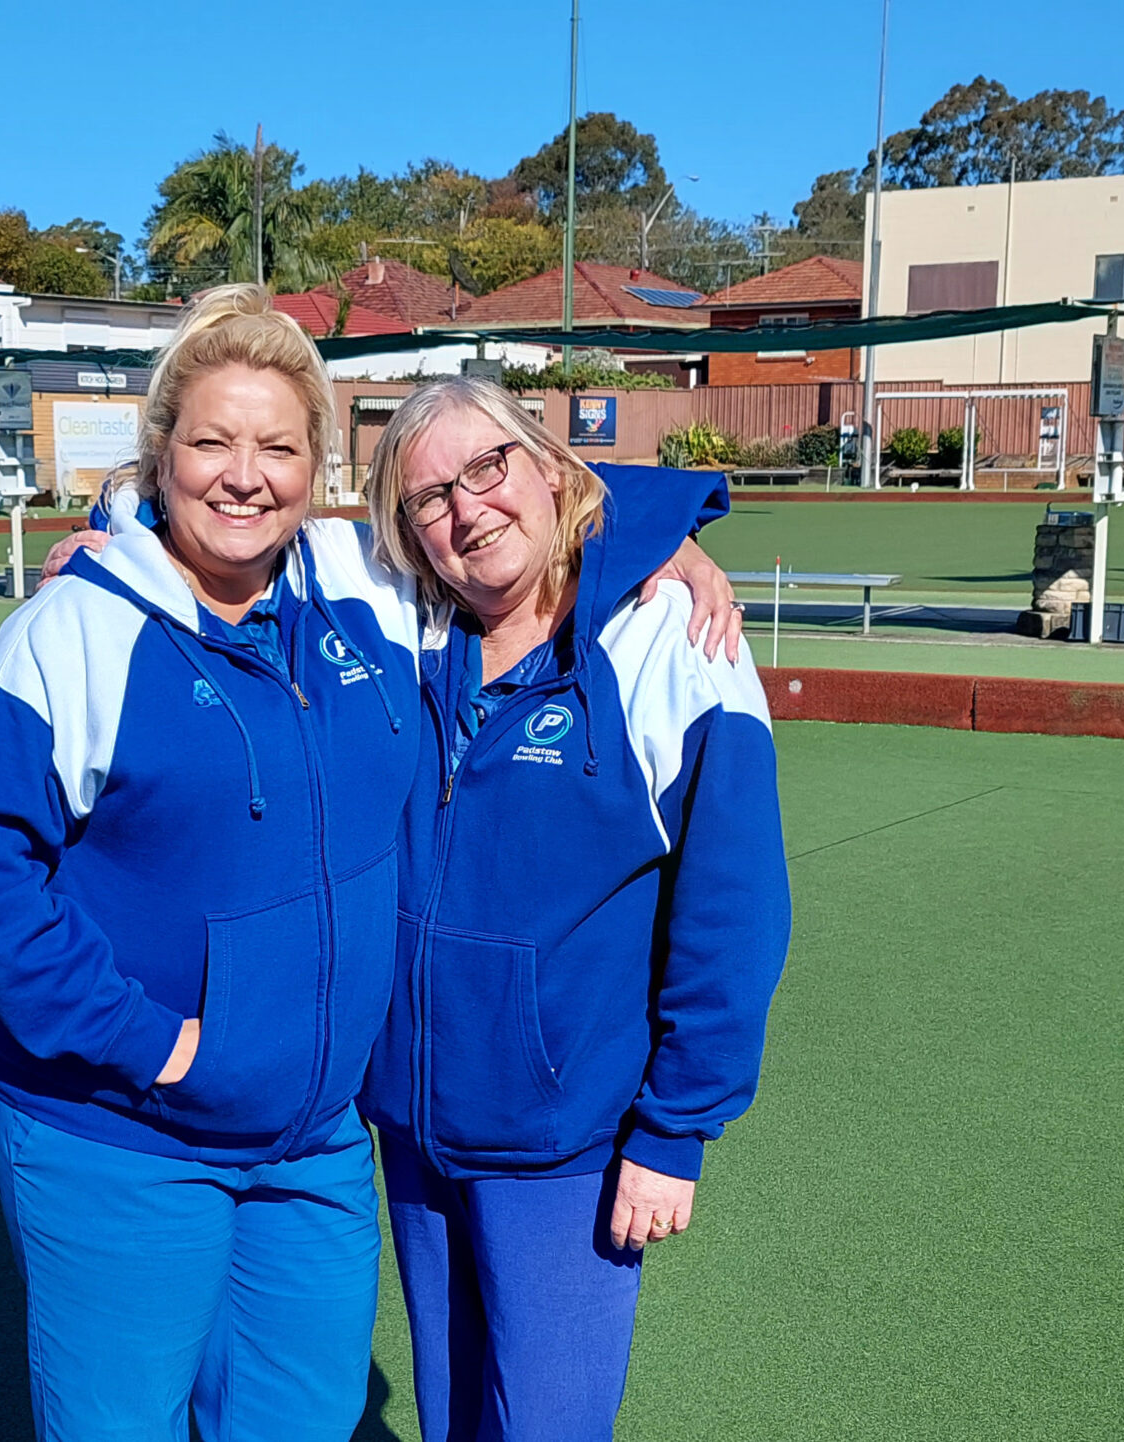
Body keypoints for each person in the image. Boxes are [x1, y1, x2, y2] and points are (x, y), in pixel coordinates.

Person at [0, 285, 738, 1441]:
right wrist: (150, 1039)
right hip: (119, 1130)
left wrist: (671, 538)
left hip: (312, 1145)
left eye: (276, 446)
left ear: (317, 471)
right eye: (209, 441)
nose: (243, 474)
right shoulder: (70, 630)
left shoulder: (363, 590)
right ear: (159, 454)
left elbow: (518, 512)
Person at [357, 375, 792, 1442]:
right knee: (454, 1413)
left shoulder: (673, 643)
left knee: (548, 1423)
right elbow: (232, 501)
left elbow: (732, 916)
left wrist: (675, 1130)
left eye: (488, 468)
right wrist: (106, 535)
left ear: (551, 470)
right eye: (428, 500)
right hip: (412, 1132)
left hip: (569, 1145)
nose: (465, 510)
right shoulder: (401, 629)